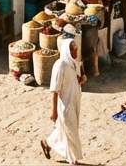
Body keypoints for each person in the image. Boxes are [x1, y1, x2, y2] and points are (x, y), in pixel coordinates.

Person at [41, 35, 85, 164]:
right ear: (67, 50)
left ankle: (47, 143)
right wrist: (54, 111)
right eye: (73, 50)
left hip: (75, 100)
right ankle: (73, 160)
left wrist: (82, 79)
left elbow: (78, 79)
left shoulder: (74, 63)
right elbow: (55, 91)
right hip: (65, 105)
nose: (76, 52)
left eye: (76, 49)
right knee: (71, 132)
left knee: (65, 129)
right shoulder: (60, 65)